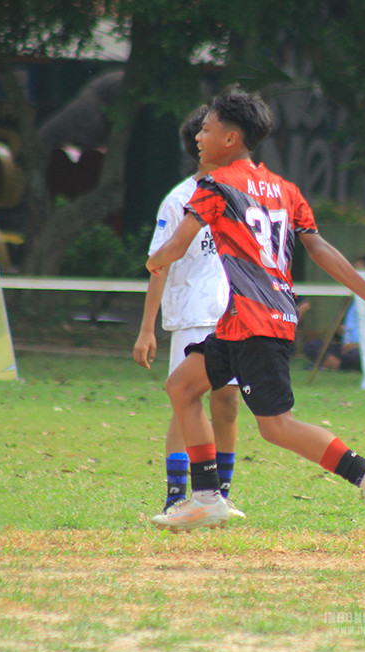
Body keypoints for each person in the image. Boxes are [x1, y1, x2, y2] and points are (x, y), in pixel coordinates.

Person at [146, 85, 365, 543]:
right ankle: (207, 497)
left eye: (206, 131)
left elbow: (174, 246)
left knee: (276, 427)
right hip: (246, 320)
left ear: (231, 139)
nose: (199, 138)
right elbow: (320, 248)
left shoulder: (216, 186)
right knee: (182, 386)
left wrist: (153, 262)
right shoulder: (286, 189)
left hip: (255, 321)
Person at [133, 105, 242, 516]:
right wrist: (147, 329)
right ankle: (178, 495)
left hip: (233, 316)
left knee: (228, 402)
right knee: (187, 401)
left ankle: (221, 495)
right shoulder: (179, 200)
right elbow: (159, 263)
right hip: (193, 315)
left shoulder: (242, 194)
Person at [302, 256, 365, 371]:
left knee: (355, 356)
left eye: (358, 269)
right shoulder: (350, 297)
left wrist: (357, 345)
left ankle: (335, 366)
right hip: (344, 347)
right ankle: (339, 365)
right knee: (312, 346)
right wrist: (340, 329)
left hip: (362, 348)